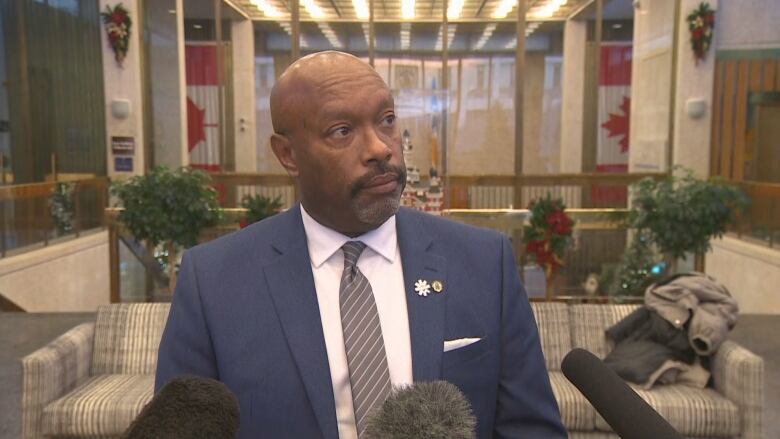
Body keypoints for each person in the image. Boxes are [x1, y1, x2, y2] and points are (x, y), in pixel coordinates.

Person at [155, 51, 566, 439]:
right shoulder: (213, 282)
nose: (380, 148)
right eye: (342, 131)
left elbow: (531, 429)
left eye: (386, 120)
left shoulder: (483, 262)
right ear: (288, 154)